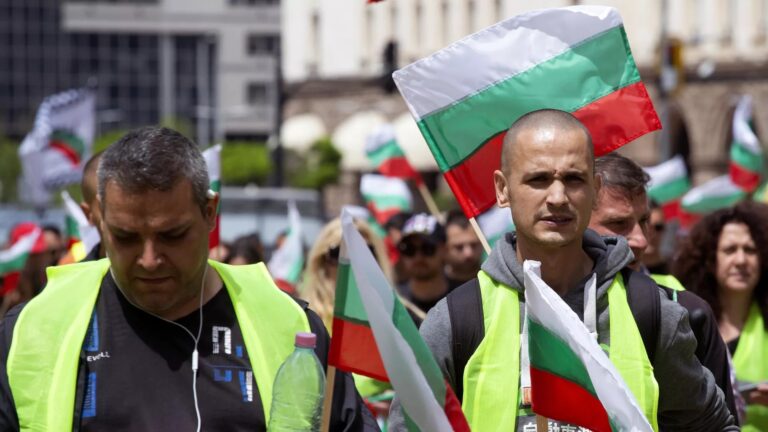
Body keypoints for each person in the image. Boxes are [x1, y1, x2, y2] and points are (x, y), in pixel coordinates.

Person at [0, 126, 377, 431]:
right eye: (126, 237)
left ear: (210, 212)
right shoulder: (33, 330)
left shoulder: (290, 326)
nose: (149, 260)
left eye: (172, 235)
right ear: (99, 223)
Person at [389, 109, 736, 430]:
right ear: (503, 190)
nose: (558, 197)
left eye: (573, 179)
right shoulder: (456, 320)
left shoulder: (649, 310)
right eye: (538, 179)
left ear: (595, 190)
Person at [587, 152, 737, 420]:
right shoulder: (539, 302)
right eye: (618, 224)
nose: (641, 240)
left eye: (644, 221)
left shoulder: (689, 311)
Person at [673, 201, 768, 431]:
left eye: (750, 250)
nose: (741, 260)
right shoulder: (685, 318)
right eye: (730, 250)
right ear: (709, 259)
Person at [301, 217, 393, 329]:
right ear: (322, 262)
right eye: (339, 253)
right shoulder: (304, 319)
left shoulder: (398, 318)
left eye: (364, 252)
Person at [396, 213, 452, 322]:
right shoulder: (396, 303)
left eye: (427, 248)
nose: (418, 257)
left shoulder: (463, 298)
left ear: (444, 250)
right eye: (409, 249)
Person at [443, 210, 483, 288]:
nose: (468, 253)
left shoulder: (496, 280)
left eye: (473, 245)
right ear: (444, 249)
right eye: (459, 247)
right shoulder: (436, 288)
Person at [642, 201, 669, 274]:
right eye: (646, 226)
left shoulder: (677, 271)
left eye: (658, 227)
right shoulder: (619, 271)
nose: (652, 232)